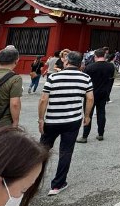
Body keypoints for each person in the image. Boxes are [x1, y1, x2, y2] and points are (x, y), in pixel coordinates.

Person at [38, 51, 94, 195]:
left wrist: (41, 118)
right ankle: (57, 185)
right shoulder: (85, 78)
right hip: (72, 120)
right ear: (80, 63)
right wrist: (87, 115)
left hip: (52, 119)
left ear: (66, 62)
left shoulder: (54, 77)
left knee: (42, 150)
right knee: (66, 151)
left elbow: (44, 99)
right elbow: (90, 98)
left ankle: (31, 181)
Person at [78, 48, 115, 142]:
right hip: (103, 92)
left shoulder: (90, 67)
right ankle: (100, 134)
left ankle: (85, 136)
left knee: (88, 114)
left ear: (95, 56)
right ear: (104, 55)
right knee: (101, 113)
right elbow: (111, 77)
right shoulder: (110, 66)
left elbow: (84, 80)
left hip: (90, 93)